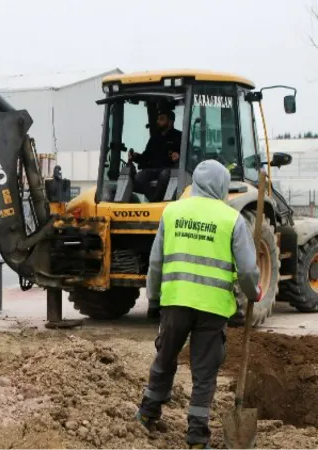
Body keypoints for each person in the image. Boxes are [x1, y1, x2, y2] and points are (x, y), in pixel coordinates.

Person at [135, 159, 262, 450]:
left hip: (175, 302)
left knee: (165, 359)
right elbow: (246, 270)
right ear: (221, 185)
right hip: (213, 308)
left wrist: (153, 297)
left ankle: (147, 413)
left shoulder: (173, 212)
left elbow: (156, 261)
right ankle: (195, 437)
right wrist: (253, 293)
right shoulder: (232, 219)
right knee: (204, 373)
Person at [131, 110, 182, 202]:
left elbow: (188, 156)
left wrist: (179, 157)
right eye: (158, 119)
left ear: (170, 122)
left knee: (164, 175)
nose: (158, 122)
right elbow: (146, 157)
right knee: (138, 177)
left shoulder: (179, 137)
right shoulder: (154, 138)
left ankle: (156, 200)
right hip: (153, 169)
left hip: (170, 170)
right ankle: (152, 198)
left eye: (161, 119)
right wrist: (135, 157)